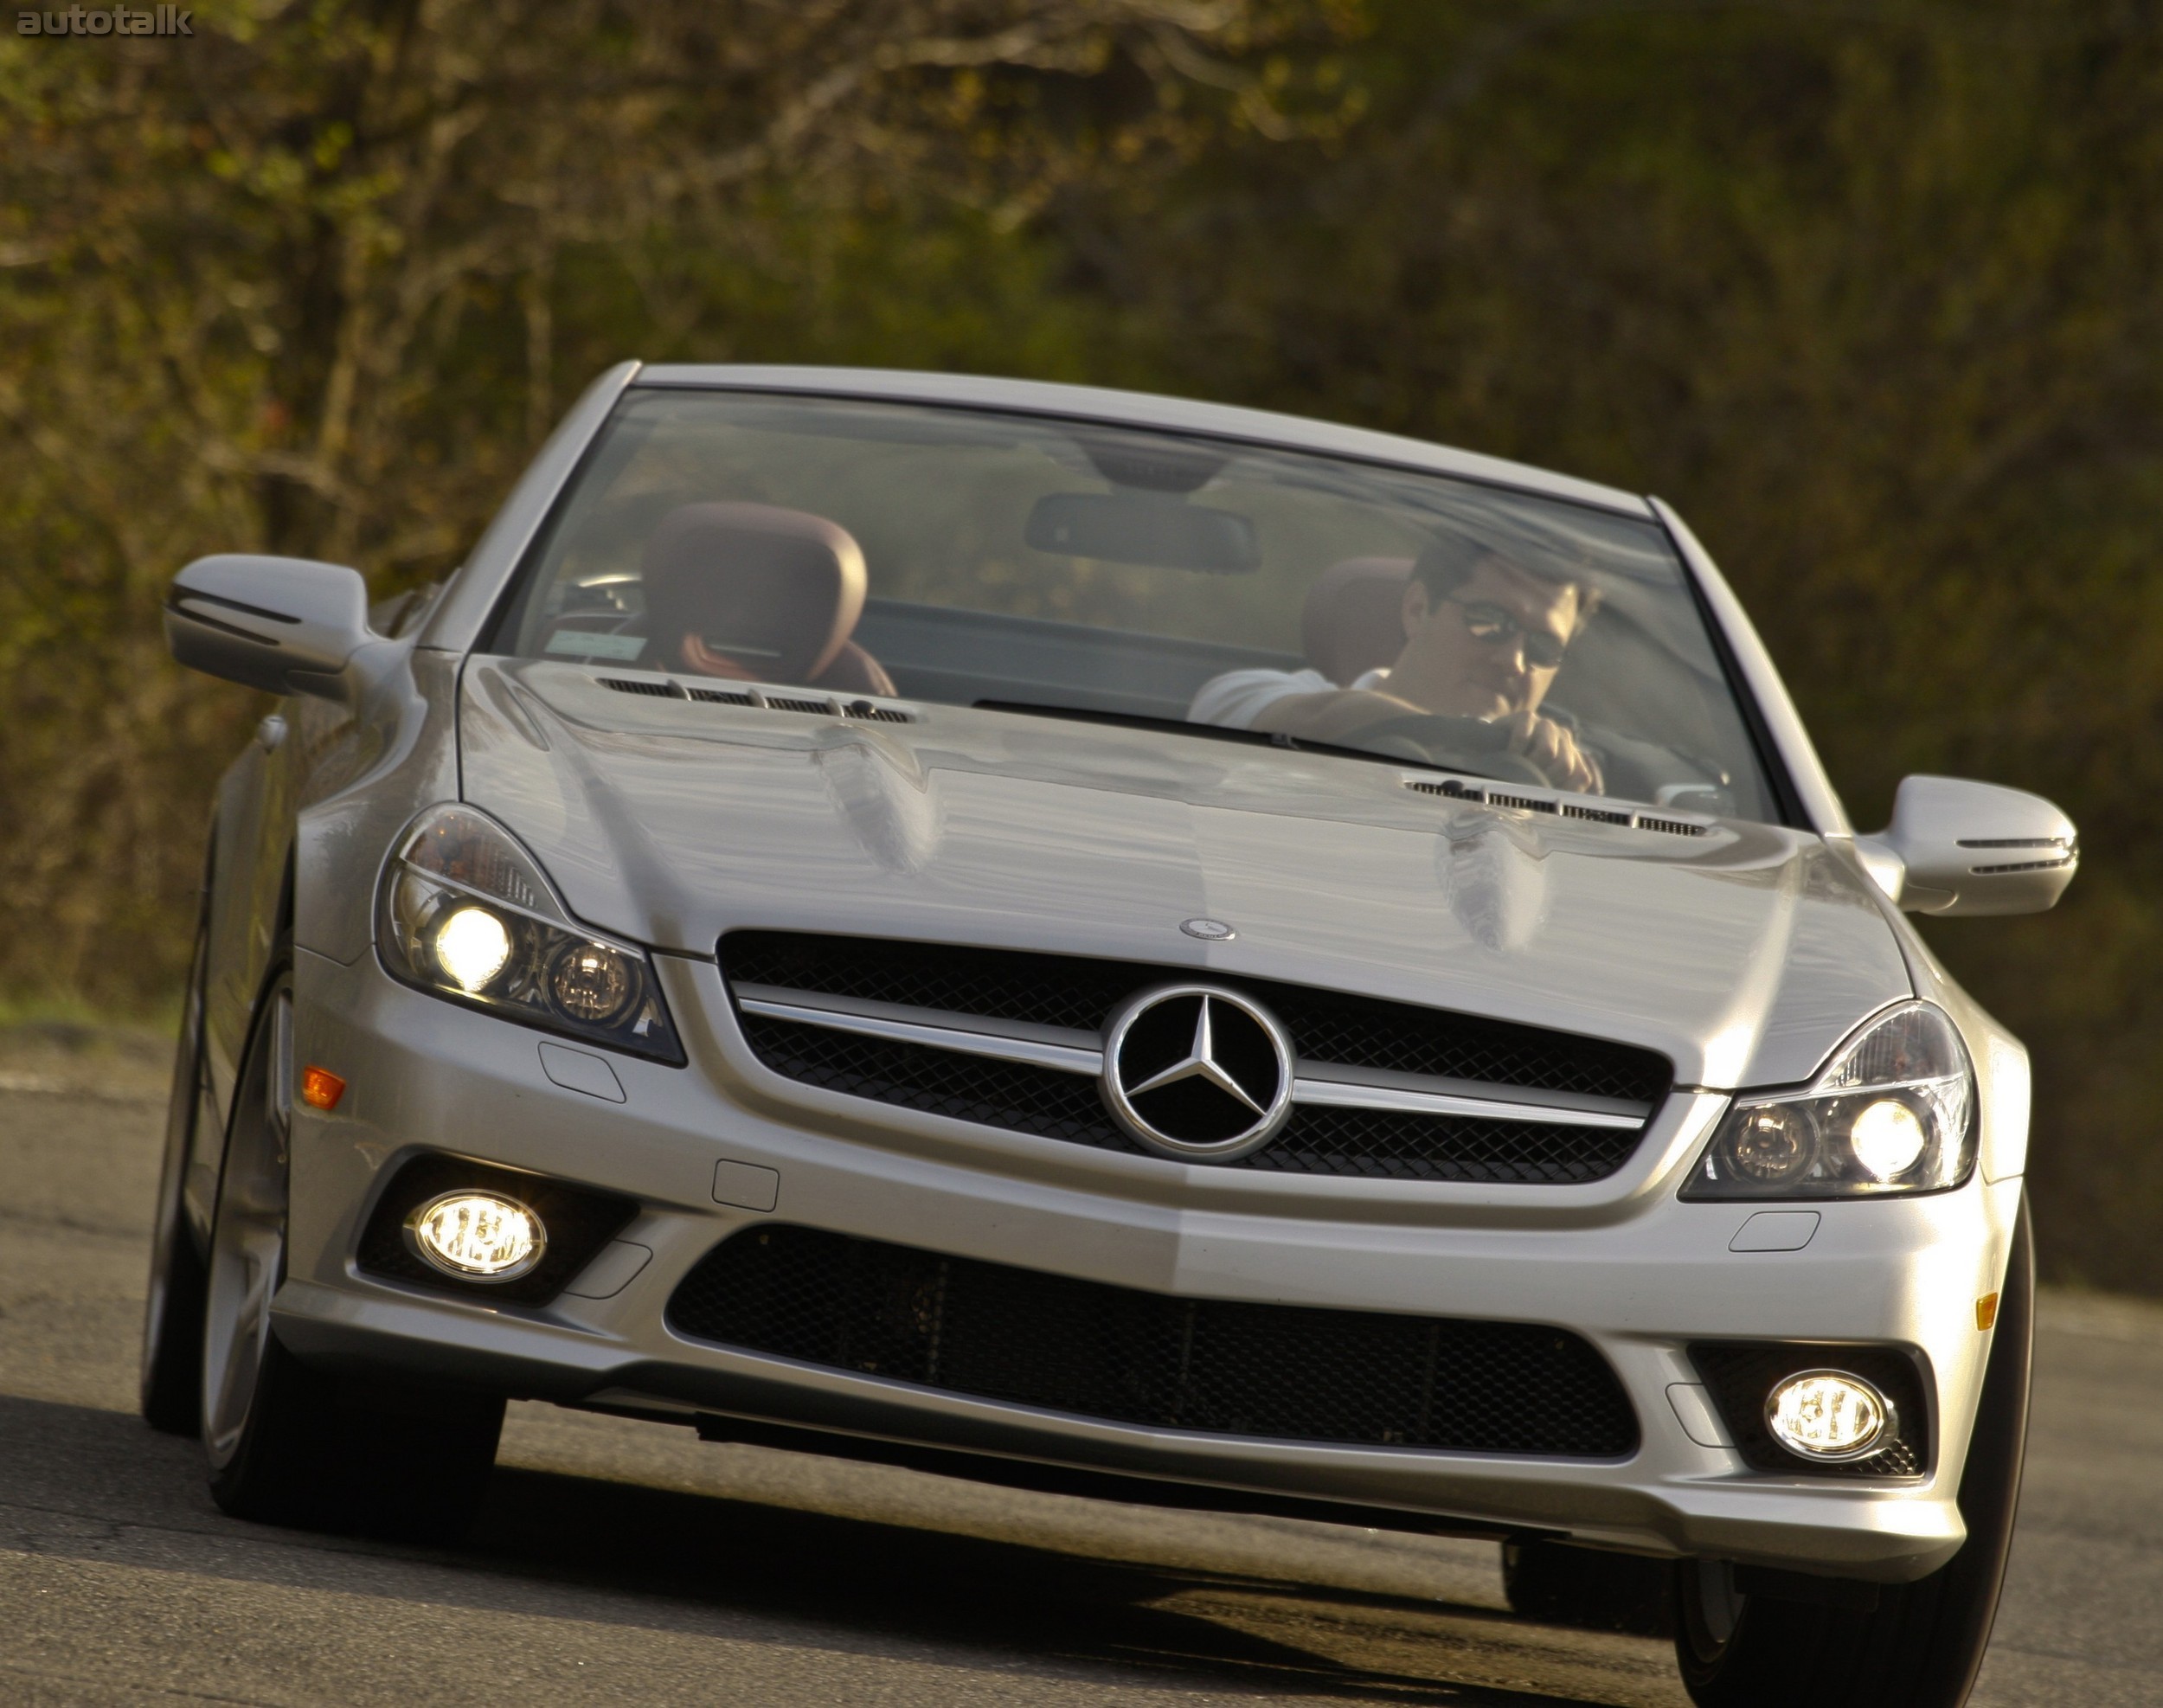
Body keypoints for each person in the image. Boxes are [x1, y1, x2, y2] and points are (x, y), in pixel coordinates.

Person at [1189, 534, 1604, 793]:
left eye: (1543, 647)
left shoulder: (1570, 773)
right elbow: (1313, 720)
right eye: (1490, 622)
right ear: (1418, 610)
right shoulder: (1251, 694)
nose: (1514, 661)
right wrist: (1478, 737)